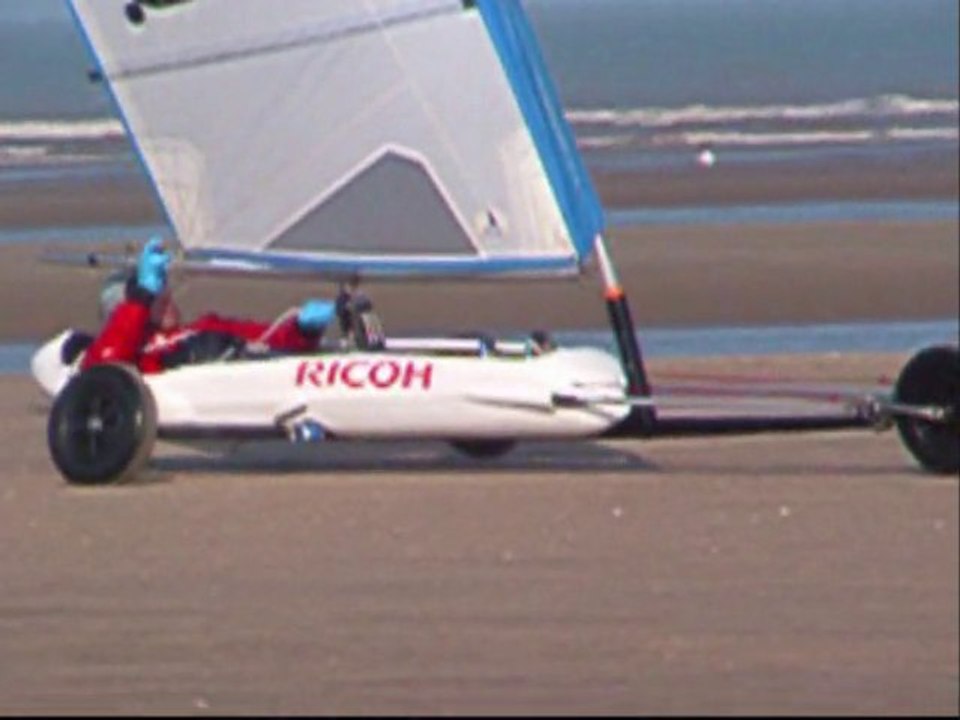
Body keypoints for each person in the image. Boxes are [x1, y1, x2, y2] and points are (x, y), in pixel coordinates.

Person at [82, 237, 335, 374]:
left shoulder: (205, 325)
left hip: (257, 370)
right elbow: (102, 367)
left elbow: (270, 340)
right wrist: (143, 296)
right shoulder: (139, 356)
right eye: (156, 294)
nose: (166, 297)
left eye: (163, 289)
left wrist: (303, 330)